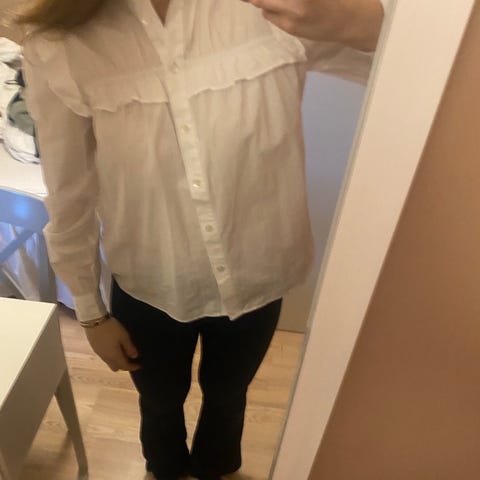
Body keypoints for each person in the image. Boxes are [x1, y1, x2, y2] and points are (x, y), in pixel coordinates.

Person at [17, 0, 387, 479]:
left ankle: (217, 468)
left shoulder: (278, 9)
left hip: (259, 278)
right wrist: (91, 314)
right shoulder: (60, 45)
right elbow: (70, 193)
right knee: (159, 402)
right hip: (149, 286)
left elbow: (421, 71)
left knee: (229, 395)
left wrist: (369, 24)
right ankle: (164, 469)